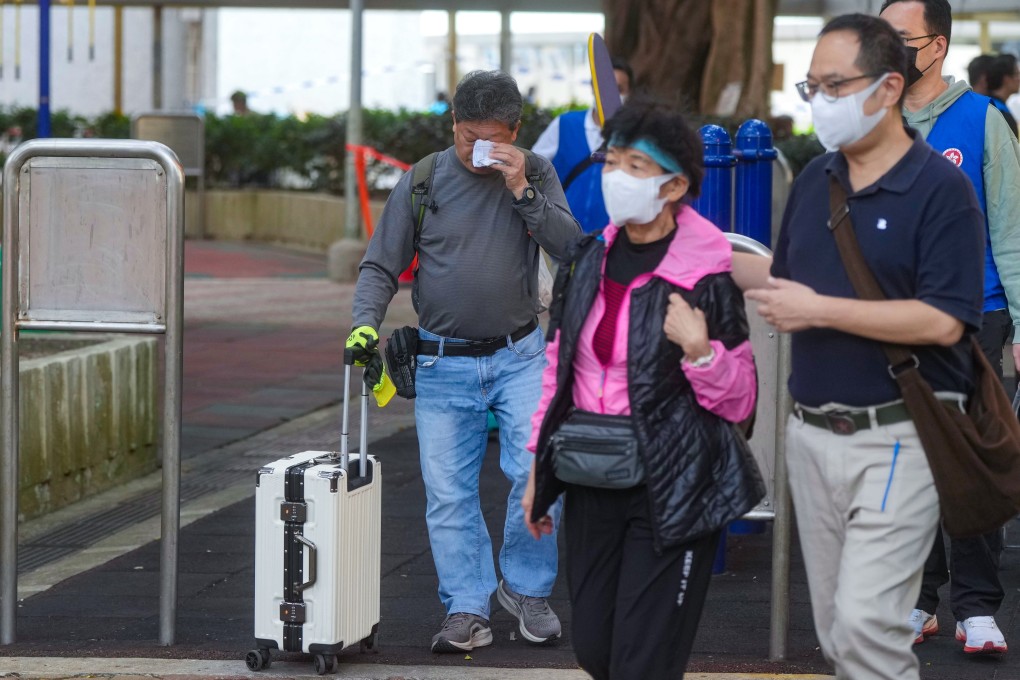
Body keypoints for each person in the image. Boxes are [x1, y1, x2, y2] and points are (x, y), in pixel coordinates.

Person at [744, 13, 985, 680]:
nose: (819, 101)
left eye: (833, 85)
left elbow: (945, 321)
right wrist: (706, 256)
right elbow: (786, 279)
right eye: (809, 86)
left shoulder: (943, 190)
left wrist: (819, 310)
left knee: (866, 627)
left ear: (886, 88)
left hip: (899, 438)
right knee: (838, 636)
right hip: (811, 435)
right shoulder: (817, 176)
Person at [522, 97, 764, 680]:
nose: (615, 177)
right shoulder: (588, 258)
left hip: (674, 483)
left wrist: (701, 352)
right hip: (592, 472)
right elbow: (559, 370)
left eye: (635, 166)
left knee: (642, 661)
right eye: (612, 162)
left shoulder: (706, 275)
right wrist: (538, 471)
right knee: (597, 651)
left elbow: (741, 401)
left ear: (674, 184)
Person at [348, 70, 580, 653]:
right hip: (441, 363)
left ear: (516, 132)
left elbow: (570, 244)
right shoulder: (423, 180)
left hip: (521, 354)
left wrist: (522, 188)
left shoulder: (538, 171)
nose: (478, 151)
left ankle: (526, 589)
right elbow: (381, 264)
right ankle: (467, 605)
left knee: (536, 475)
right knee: (448, 491)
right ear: (452, 123)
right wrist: (362, 325)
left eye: (492, 140)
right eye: (467, 136)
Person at [880, 0, 1020, 654]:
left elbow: (1012, 235)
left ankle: (977, 607)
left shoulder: (984, 120)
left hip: (976, 320)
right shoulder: (874, 119)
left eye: (899, 40)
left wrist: (1019, 324)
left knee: (973, 463)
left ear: (935, 47)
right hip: (890, 322)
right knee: (904, 469)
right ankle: (916, 599)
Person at [531, 58, 633, 233]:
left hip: (610, 240)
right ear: (593, 87)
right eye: (605, 87)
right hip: (561, 234)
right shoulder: (565, 124)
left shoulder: (634, 136)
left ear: (628, 93)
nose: (611, 95)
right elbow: (532, 166)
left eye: (619, 90)